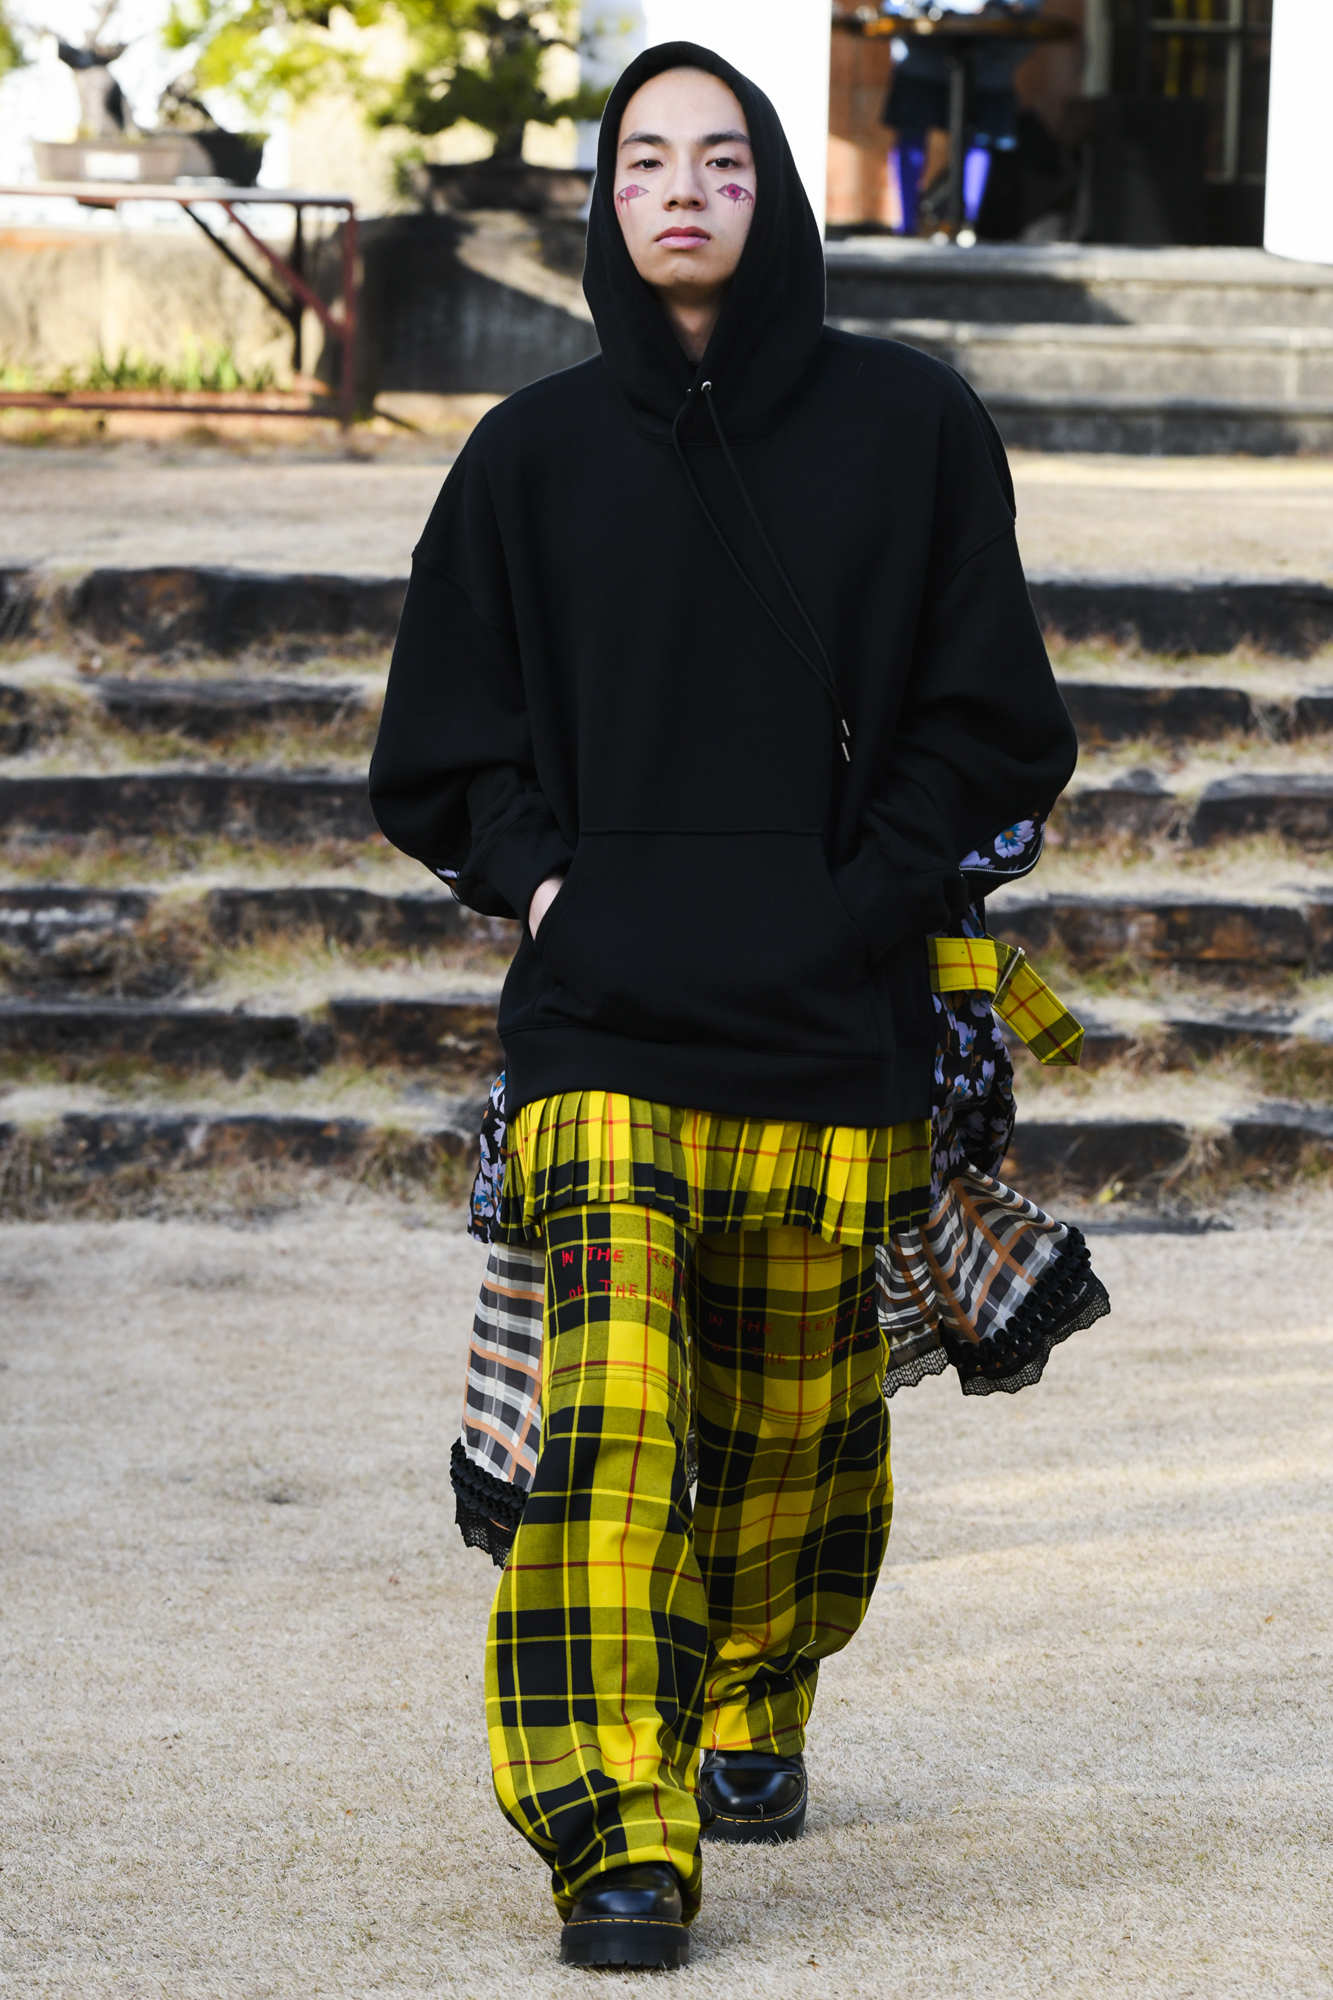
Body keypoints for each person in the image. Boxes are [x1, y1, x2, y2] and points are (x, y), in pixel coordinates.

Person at [370, 41, 1102, 1970]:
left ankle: (752, 1688)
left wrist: (860, 899)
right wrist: (553, 888)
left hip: (830, 1021)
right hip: (601, 1020)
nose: (678, 190)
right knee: (608, 1424)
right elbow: (437, 745)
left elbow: (994, 723)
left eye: (718, 158)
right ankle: (614, 1825)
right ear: (605, 197)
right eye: (642, 160)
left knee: (796, 1440)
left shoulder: (910, 424)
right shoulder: (524, 457)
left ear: (771, 189)